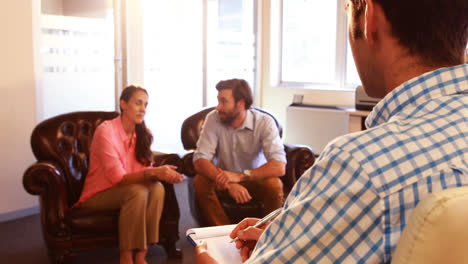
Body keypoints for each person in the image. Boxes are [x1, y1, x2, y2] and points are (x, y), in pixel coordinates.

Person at [196, 0, 468, 263]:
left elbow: (278, 167)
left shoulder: (359, 165)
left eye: (348, 11)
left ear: (369, 18)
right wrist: (287, 236)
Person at [74, 85, 184, 264]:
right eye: (138, 103)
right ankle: (125, 257)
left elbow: (143, 171)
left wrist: (165, 174)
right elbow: (118, 178)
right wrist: (155, 171)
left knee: (157, 188)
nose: (143, 109)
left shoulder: (140, 133)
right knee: (137, 192)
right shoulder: (106, 131)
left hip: (126, 190)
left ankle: (141, 254)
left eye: (146, 105)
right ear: (123, 104)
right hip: (98, 195)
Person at [193, 78, 287, 226]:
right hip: (222, 178)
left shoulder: (264, 122)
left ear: (241, 103)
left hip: (254, 178)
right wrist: (229, 184)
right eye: (218, 101)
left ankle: (266, 234)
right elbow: (200, 160)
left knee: (273, 184)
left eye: (224, 101)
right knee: (201, 180)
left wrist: (240, 177)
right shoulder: (213, 119)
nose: (218, 107)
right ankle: (224, 234)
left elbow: (279, 166)